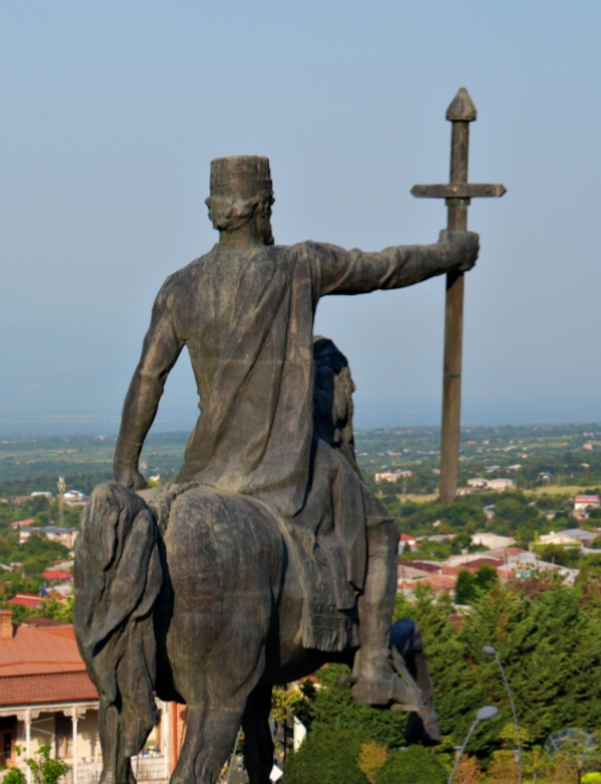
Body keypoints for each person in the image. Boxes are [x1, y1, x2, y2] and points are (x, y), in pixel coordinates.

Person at [110, 155, 478, 707]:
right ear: (261, 207)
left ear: (216, 209)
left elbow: (147, 377)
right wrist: (452, 252)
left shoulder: (179, 287)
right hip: (287, 464)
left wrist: (126, 463)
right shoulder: (298, 266)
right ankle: (373, 667)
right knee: (380, 532)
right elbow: (385, 268)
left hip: (205, 474)